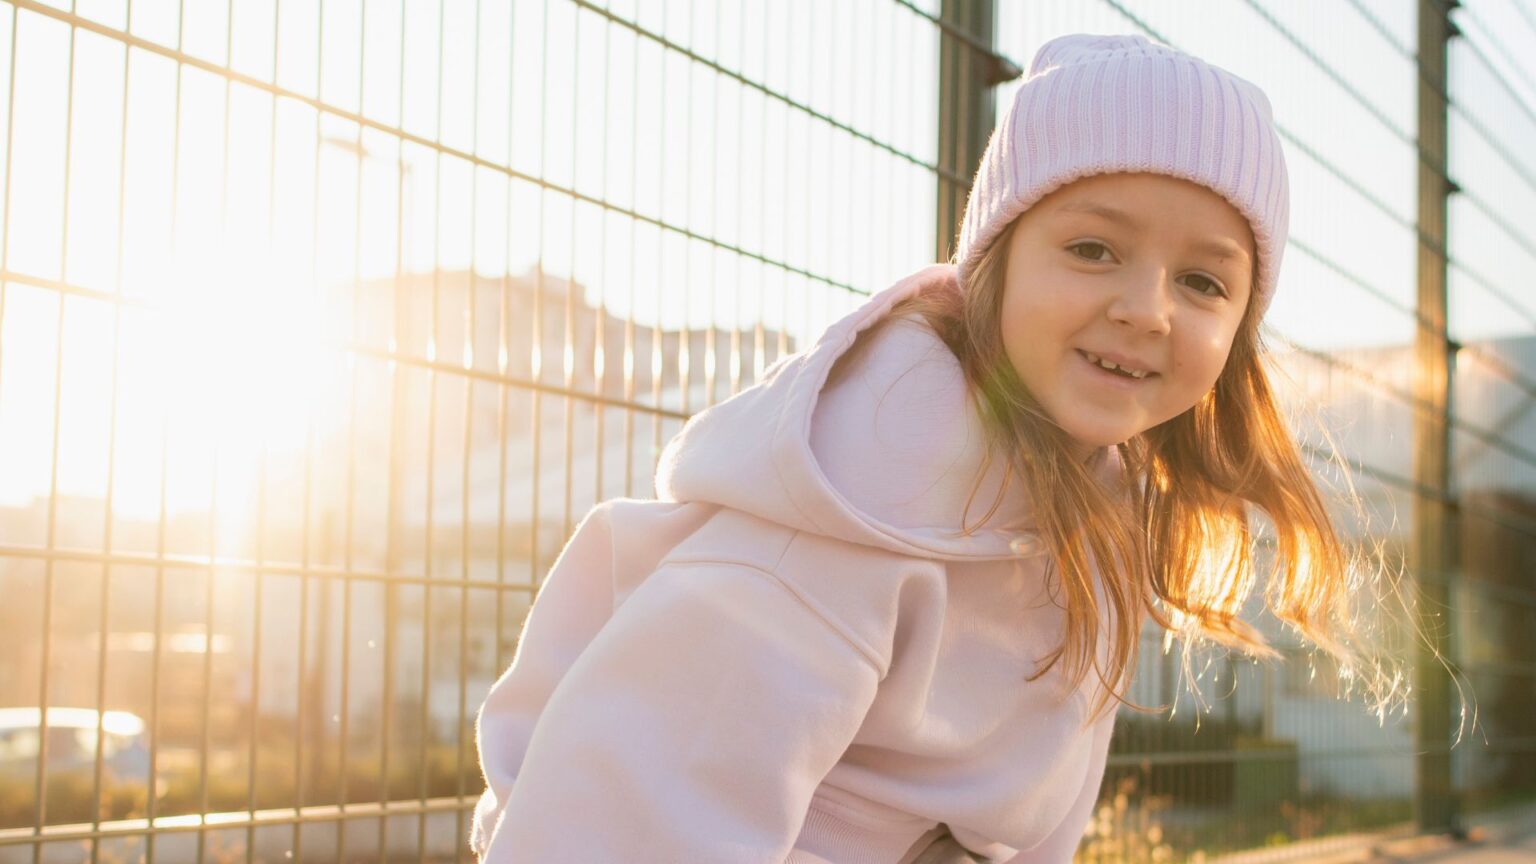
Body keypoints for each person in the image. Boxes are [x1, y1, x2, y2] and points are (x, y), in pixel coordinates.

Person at [470, 33, 1404, 863]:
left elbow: (1035, 820)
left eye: (1203, 281)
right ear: (992, 264)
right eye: (1092, 249)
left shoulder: (1096, 512)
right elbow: (632, 814)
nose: (1147, 308)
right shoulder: (856, 503)